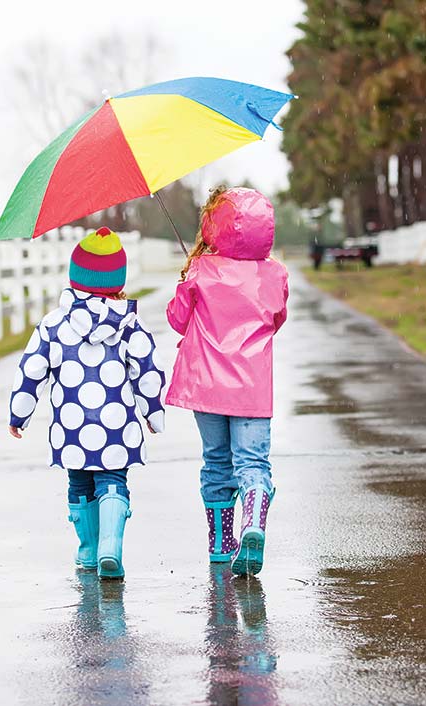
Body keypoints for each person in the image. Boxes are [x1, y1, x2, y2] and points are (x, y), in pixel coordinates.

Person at [8, 227, 166, 579]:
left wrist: (19, 414)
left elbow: (31, 370)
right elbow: (147, 370)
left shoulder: (53, 324)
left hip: (72, 428)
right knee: (112, 481)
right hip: (116, 426)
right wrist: (153, 413)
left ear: (75, 277)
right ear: (118, 281)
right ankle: (111, 545)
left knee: (79, 484)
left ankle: (89, 550)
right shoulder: (129, 324)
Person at [166, 187, 288, 576]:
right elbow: (276, 319)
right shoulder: (274, 273)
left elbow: (177, 320)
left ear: (212, 227)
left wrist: (188, 280)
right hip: (251, 389)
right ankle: (254, 521)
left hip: (206, 387)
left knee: (216, 462)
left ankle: (222, 542)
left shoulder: (202, 270)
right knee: (252, 462)